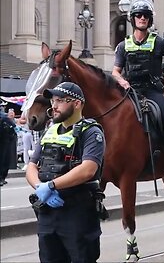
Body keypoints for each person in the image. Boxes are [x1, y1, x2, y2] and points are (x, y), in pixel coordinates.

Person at [25, 82, 107, 263]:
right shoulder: (50, 131)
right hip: (47, 210)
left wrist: (52, 185)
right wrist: (40, 187)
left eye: (60, 101)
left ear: (76, 104)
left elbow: (88, 169)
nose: (54, 106)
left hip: (77, 213)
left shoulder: (91, 132)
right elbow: (32, 166)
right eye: (53, 100)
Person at [112, 0, 164, 181]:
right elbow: (115, 72)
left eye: (146, 16)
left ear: (150, 19)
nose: (142, 18)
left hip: (153, 91)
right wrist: (123, 82)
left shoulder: (159, 42)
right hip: (131, 91)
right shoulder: (123, 45)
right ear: (133, 18)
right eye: (139, 15)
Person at [0, 106, 16, 186]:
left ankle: (2, 177)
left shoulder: (4, 117)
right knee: (4, 159)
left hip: (5, 139)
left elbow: (13, 125)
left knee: (5, 159)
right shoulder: (4, 117)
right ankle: (1, 177)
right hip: (4, 140)